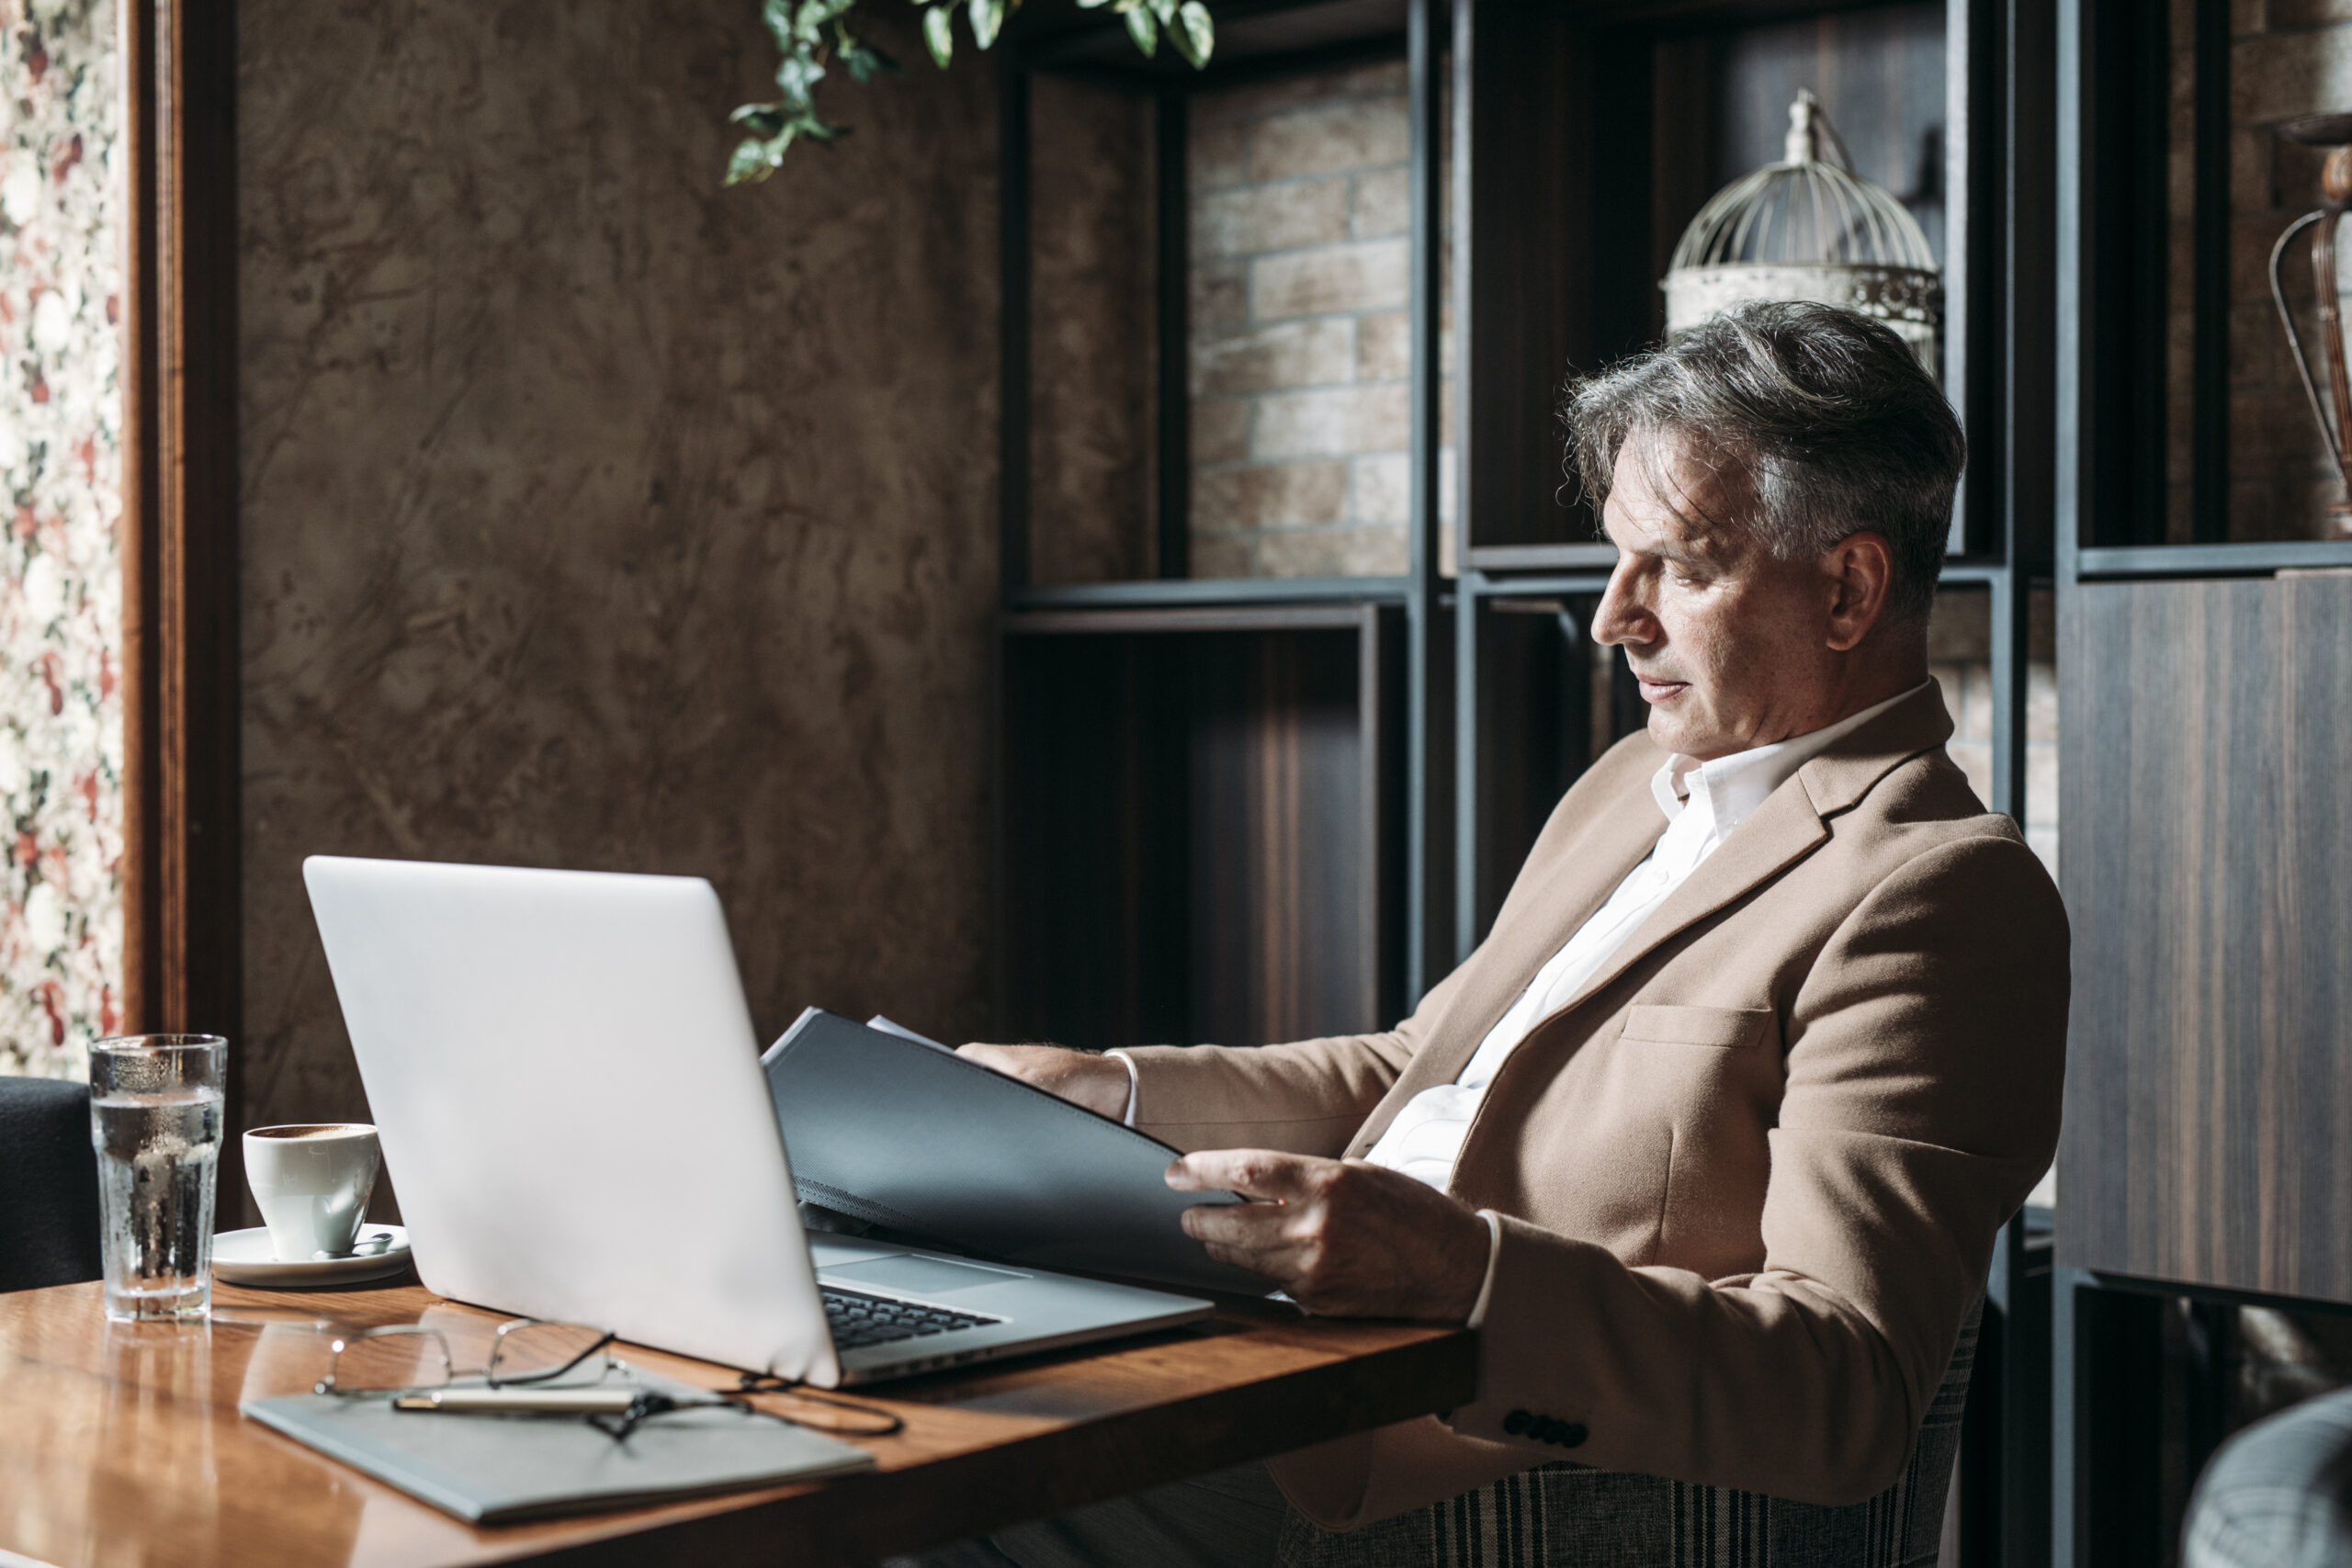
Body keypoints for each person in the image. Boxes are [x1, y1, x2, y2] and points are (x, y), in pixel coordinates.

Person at [913, 300, 2068, 1568]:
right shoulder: (1635, 785)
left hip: (1413, 1465)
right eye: (1619, 560)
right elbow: (1424, 1066)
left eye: (1680, 567)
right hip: (1273, 1356)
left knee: (885, 1481)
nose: (1613, 618)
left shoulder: (1939, 895)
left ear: (1848, 588)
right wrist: (1111, 1093)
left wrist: (1460, 1278)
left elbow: (1846, 1390)